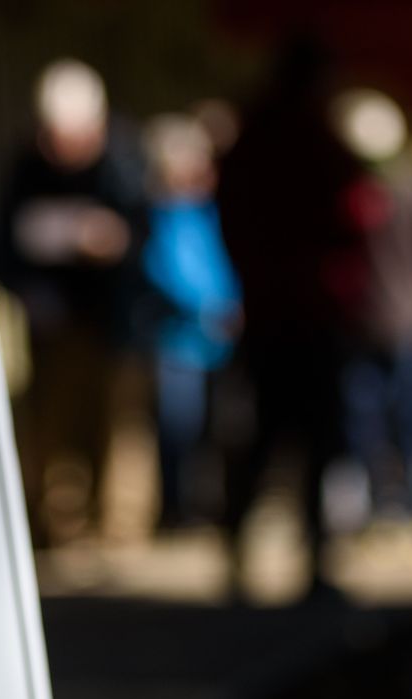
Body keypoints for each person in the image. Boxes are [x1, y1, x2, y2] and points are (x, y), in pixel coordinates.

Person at [215, 37, 369, 598]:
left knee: (267, 437)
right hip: (305, 315)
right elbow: (355, 216)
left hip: (271, 312)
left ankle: (243, 555)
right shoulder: (314, 141)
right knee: (310, 439)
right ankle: (311, 561)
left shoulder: (254, 138)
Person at [0, 59, 149, 547]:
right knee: (48, 429)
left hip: (114, 320)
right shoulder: (25, 167)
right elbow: (1, 244)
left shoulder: (126, 163)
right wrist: (30, 288)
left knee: (119, 427)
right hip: (50, 324)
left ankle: (119, 530)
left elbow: (149, 237)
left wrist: (113, 241)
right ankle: (50, 526)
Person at [336, 91, 412, 521]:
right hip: (396, 320)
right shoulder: (407, 187)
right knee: (395, 415)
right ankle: (402, 498)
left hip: (390, 319)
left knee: (393, 415)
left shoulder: (397, 189)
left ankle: (408, 497)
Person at [141, 111, 240, 529]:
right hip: (179, 339)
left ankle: (207, 504)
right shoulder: (159, 213)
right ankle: (175, 510)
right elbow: (168, 271)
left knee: (214, 431)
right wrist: (213, 308)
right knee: (179, 429)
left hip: (219, 340)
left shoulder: (211, 210)